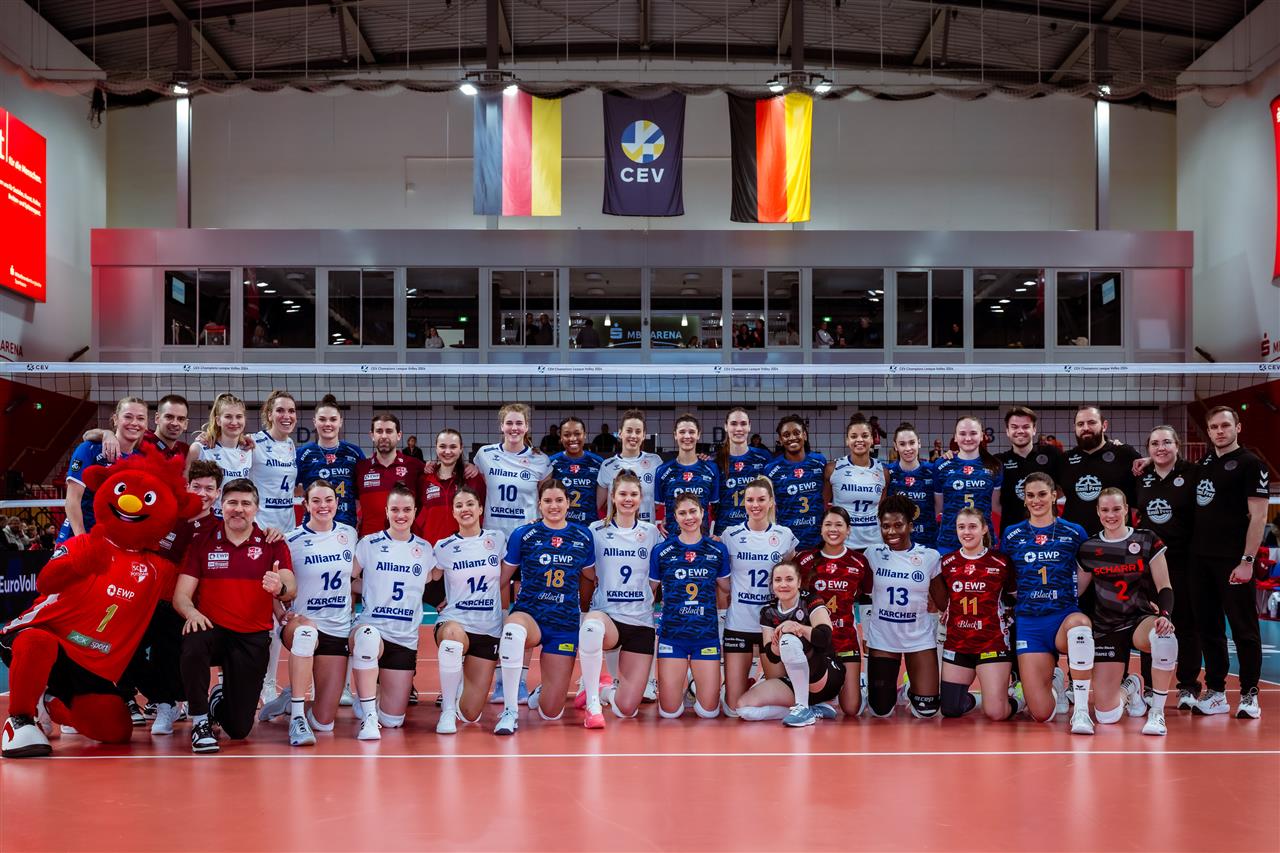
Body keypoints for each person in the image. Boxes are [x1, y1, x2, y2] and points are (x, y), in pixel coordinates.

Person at [174, 479, 295, 753]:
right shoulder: (203, 541)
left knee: (238, 729)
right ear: (222, 505)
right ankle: (200, 721)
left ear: (256, 508)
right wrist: (191, 612)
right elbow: (181, 595)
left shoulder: (272, 543)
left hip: (251, 636)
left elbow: (290, 587)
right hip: (213, 630)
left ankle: (218, 701)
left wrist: (280, 588)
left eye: (245, 503)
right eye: (232, 503)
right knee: (194, 636)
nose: (238, 509)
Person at [493, 480, 596, 735]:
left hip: (564, 623)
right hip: (530, 615)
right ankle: (510, 711)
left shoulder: (583, 536)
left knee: (551, 712)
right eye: (548, 501)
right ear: (539, 504)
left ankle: (543, 691)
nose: (554, 506)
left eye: (559, 500)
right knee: (512, 632)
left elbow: (590, 577)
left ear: (568, 503)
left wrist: (585, 611)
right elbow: (502, 578)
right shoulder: (524, 534)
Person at [260, 480, 357, 746]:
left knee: (325, 723)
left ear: (337, 503)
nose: (323, 506)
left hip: (337, 628)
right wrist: (279, 611)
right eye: (316, 501)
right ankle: (297, 717)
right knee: (306, 633)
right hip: (301, 623)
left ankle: (288, 698)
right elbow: (270, 579)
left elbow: (356, 578)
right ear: (305, 505)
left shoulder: (349, 534)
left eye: (328, 500)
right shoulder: (290, 540)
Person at [1189, 406, 1269, 718]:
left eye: (1225, 425)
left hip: (1233, 561)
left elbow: (1259, 516)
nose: (1219, 431)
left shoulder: (1251, 463)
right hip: (1200, 560)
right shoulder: (1205, 463)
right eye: (1214, 427)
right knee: (1208, 628)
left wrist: (1247, 561)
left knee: (1243, 628)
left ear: (1238, 427)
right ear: (1208, 431)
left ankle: (1249, 694)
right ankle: (1216, 692)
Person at [1076, 488, 1178, 736]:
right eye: (1105, 510)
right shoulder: (1089, 547)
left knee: (1164, 636)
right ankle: (1130, 687)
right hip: (1106, 626)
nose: (1111, 515)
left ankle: (1157, 713)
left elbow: (1164, 586)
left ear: (1126, 510)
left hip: (1139, 619)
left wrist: (1165, 615)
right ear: (1098, 512)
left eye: (1116, 509)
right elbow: (1076, 592)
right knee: (1106, 715)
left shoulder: (1146, 539)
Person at [1001, 472, 1094, 733]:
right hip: (1030, 624)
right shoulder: (1012, 534)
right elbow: (1006, 574)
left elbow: (1087, 568)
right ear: (1024, 499)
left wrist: (1071, 594)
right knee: (1041, 714)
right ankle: (1053, 679)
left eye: (1042, 494)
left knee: (1080, 627)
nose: (1036, 500)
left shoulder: (1074, 532)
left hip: (1063, 617)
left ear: (1054, 496)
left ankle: (1082, 712)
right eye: (1030, 495)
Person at [476, 404, 552, 705]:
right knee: (498, 612)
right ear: (501, 426)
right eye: (509, 423)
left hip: (527, 543)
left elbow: (547, 496)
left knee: (524, 612)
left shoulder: (540, 460)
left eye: (519, 423)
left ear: (527, 426)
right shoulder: (485, 455)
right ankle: (498, 680)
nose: (514, 428)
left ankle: (518, 681)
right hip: (494, 543)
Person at [348, 485, 435, 740]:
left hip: (404, 638)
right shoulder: (369, 543)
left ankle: (372, 697)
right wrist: (368, 588)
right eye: (395, 509)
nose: (401, 515)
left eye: (406, 509)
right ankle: (368, 715)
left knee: (393, 721)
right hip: (372, 628)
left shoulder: (424, 549)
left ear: (415, 511)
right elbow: (346, 579)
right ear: (386, 511)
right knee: (367, 637)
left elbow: (431, 582)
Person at [145, 459, 224, 735]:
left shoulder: (220, 527)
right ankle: (164, 701)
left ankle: (189, 699)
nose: (202, 493)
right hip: (160, 602)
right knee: (134, 645)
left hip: (198, 607)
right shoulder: (168, 518)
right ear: (187, 486)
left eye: (209, 488)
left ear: (218, 493)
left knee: (185, 645)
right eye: (197, 486)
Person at [579, 471, 660, 725]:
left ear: (641, 498)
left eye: (633, 494)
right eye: (623, 494)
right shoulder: (596, 530)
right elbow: (587, 569)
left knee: (627, 709)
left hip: (640, 621)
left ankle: (604, 690)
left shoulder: (651, 532)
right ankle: (593, 701)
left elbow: (657, 575)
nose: (628, 499)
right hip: (608, 617)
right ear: (612, 497)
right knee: (591, 626)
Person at [929, 508, 1020, 722]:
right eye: (961, 527)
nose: (966, 532)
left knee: (996, 713)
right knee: (950, 709)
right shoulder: (946, 563)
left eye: (972, 527)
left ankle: (1020, 698)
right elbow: (941, 600)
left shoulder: (1000, 562)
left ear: (984, 529)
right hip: (958, 644)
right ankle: (980, 698)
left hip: (991, 643)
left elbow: (1015, 597)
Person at [1135, 425, 1201, 709]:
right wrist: (1147, 462)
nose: (1160, 448)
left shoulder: (1193, 473)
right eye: (1154, 444)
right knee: (1152, 621)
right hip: (1150, 561)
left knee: (1186, 622)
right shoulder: (1141, 476)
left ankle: (1188, 686)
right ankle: (1150, 687)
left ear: (1177, 445)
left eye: (1166, 442)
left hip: (1184, 559)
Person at [649, 494, 731, 720]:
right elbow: (649, 590)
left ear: (703, 513)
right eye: (682, 513)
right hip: (672, 637)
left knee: (709, 713)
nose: (689, 517)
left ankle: (695, 685)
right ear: (675, 517)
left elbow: (727, 588)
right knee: (669, 713)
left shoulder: (717, 550)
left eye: (693, 511)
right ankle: (683, 684)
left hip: (705, 636)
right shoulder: (662, 551)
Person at [431, 487, 507, 734]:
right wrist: (438, 600)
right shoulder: (444, 546)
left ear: (480, 508)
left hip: (488, 628)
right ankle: (446, 711)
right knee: (452, 638)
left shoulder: (497, 539)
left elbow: (510, 572)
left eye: (470, 504)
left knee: (470, 714)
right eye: (459, 506)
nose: (465, 509)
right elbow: (426, 579)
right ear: (453, 513)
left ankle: (459, 685)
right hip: (456, 621)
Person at [721, 478, 798, 714]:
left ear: (771, 502)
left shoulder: (784, 535)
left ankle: (762, 687)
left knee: (782, 695)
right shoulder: (730, 535)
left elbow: (790, 573)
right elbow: (722, 579)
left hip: (771, 625)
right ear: (744, 503)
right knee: (733, 709)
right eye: (750, 500)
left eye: (761, 499)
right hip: (739, 624)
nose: (755, 505)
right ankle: (753, 687)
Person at [737, 560, 845, 727]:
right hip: (795, 680)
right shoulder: (768, 611)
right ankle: (811, 709)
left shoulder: (811, 600)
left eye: (789, 579)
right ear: (772, 584)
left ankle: (802, 708)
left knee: (789, 640)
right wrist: (778, 636)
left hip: (825, 676)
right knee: (744, 708)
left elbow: (824, 637)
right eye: (778, 580)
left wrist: (797, 627)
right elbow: (772, 656)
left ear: (799, 582)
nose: (783, 584)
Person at [862, 495, 942, 719]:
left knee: (926, 712)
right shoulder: (872, 554)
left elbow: (943, 602)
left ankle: (909, 685)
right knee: (880, 711)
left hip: (918, 638)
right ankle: (874, 685)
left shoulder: (929, 557)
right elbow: (862, 593)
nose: (891, 532)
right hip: (883, 637)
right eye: (885, 526)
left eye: (898, 525)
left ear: (910, 526)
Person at [796, 507, 873, 717]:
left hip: (845, 641)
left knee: (851, 709)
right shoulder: (804, 560)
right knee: (809, 699)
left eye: (839, 525)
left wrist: (867, 635)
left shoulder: (859, 562)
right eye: (828, 524)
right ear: (821, 529)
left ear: (848, 530)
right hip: (814, 642)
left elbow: (866, 598)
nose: (833, 529)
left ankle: (858, 683)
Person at [58, 396, 149, 543]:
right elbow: (72, 500)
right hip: (80, 536)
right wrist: (82, 540)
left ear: (146, 423)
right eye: (128, 417)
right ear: (115, 419)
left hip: (114, 541)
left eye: (140, 418)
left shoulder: (141, 459)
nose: (134, 423)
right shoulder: (90, 449)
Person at [1059, 405, 1140, 536]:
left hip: (1115, 539)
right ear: (1075, 428)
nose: (1086, 428)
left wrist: (1150, 459)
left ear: (1104, 425)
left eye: (1091, 422)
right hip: (1074, 538)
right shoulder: (1064, 460)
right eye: (1080, 424)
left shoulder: (1125, 454)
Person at [933, 416, 1003, 553]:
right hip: (950, 540)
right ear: (955, 437)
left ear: (982, 436)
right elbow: (938, 507)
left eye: (973, 433)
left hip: (983, 540)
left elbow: (995, 505)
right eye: (962, 433)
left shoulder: (995, 466)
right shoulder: (941, 465)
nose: (968, 438)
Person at [295, 395, 366, 530]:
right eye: (322, 419)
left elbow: (363, 491)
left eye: (333, 419)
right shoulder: (303, 453)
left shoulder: (354, 453)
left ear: (340, 422)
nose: (328, 424)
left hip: (346, 526)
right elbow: (289, 488)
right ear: (314, 422)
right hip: (313, 526)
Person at [353, 412, 425, 538]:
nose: (384, 436)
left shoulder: (415, 466)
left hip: (405, 543)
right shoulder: (360, 468)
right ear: (372, 435)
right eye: (379, 431)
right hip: (369, 542)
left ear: (399, 435)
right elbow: (356, 505)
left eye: (389, 431)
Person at [996, 406, 1064, 538]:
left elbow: (1063, 489)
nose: (1020, 431)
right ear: (1007, 431)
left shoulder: (1052, 454)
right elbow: (995, 503)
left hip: (1049, 532)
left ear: (1034, 430)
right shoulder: (999, 461)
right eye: (1014, 427)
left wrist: (1042, 504)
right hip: (1013, 534)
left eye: (1026, 426)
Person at [824, 414, 886, 551]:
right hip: (844, 544)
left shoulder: (883, 471)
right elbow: (824, 506)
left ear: (872, 439)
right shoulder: (832, 469)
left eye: (864, 436)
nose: (859, 440)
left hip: (875, 544)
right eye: (853, 436)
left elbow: (882, 509)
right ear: (847, 440)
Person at [413, 428, 486, 545]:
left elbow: (482, 513)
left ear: (461, 448)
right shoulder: (424, 479)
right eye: (442, 446)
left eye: (453, 447)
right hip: (431, 547)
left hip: (465, 548)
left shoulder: (472, 478)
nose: (447, 452)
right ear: (436, 448)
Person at [765, 415, 826, 551]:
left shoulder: (819, 462)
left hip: (817, 539)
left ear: (805, 435)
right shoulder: (771, 469)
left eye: (796, 433)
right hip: (786, 541)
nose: (792, 438)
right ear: (780, 440)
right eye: (786, 435)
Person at [186, 394, 254, 516]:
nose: (234, 422)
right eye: (228, 416)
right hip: (208, 519)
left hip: (236, 518)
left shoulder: (249, 449)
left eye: (239, 416)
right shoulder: (200, 449)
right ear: (218, 420)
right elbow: (184, 486)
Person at [654, 414, 720, 536]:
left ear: (698, 435)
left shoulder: (711, 469)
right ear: (675, 435)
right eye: (682, 432)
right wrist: (664, 519)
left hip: (702, 539)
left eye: (692, 432)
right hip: (673, 540)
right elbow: (658, 508)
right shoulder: (662, 471)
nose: (687, 436)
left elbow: (715, 508)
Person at [713, 407, 775, 536]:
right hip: (725, 531)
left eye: (743, 424)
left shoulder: (763, 457)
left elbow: (772, 497)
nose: (739, 428)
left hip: (757, 531)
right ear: (726, 427)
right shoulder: (716, 461)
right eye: (733, 424)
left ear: (749, 426)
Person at [597, 409, 662, 524]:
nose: (633, 435)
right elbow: (598, 505)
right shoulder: (607, 465)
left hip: (646, 529)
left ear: (643, 435)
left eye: (638, 432)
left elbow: (660, 502)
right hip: (616, 531)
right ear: (620, 433)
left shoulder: (655, 462)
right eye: (629, 431)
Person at [248, 390, 298, 534]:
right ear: (270, 415)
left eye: (291, 411)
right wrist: (208, 437)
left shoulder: (290, 443)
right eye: (280, 410)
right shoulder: (253, 441)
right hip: (262, 529)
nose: (287, 416)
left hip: (288, 530)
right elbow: (227, 446)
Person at [89, 394, 192, 463]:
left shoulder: (185, 449)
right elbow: (87, 435)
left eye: (181, 419)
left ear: (186, 424)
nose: (175, 423)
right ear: (157, 418)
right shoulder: (141, 438)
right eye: (169, 417)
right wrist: (107, 434)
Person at [885, 423, 938, 548]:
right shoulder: (887, 472)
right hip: (897, 543)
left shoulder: (932, 471)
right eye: (902, 444)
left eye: (912, 443)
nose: (908, 448)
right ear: (895, 446)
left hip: (928, 542)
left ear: (919, 443)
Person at [549, 417, 605, 527]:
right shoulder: (551, 463)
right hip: (560, 526)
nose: (572, 438)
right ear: (561, 438)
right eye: (567, 435)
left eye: (577, 434)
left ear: (584, 435)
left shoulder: (598, 463)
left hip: (589, 526)